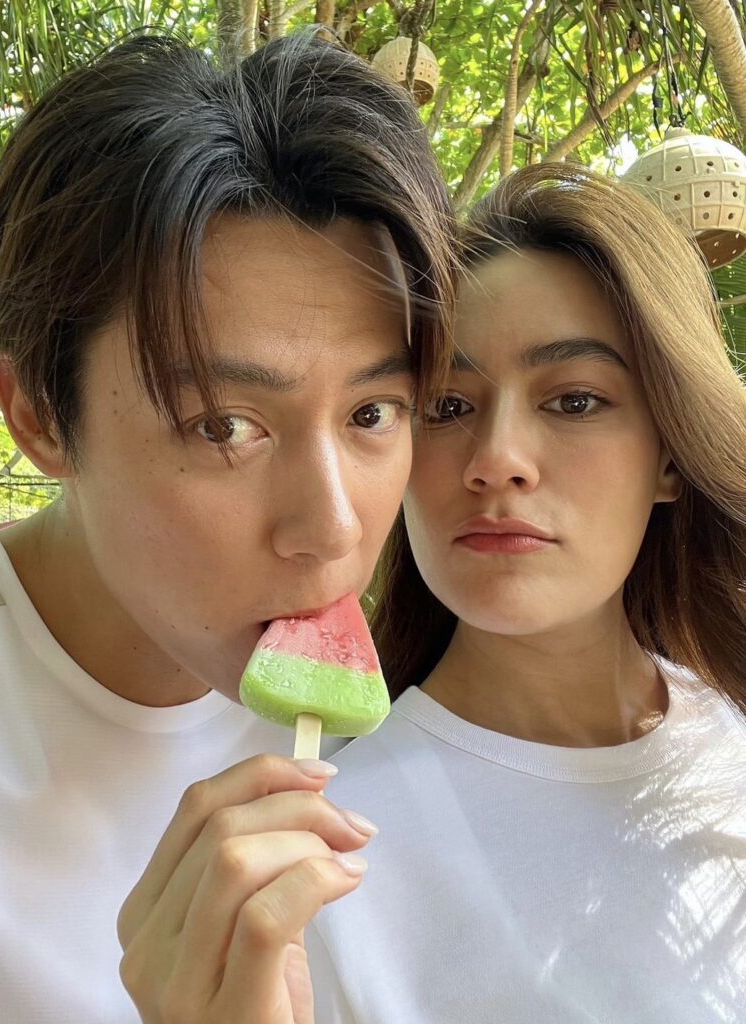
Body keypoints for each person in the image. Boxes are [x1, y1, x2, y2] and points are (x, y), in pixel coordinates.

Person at [0, 33, 457, 1023]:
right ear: (38, 414)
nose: (332, 526)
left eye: (372, 413)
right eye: (224, 426)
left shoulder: (425, 721)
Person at [308, 163, 746, 1023]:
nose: (496, 459)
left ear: (669, 456)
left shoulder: (731, 732)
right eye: (445, 406)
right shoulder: (323, 854)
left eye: (574, 400)